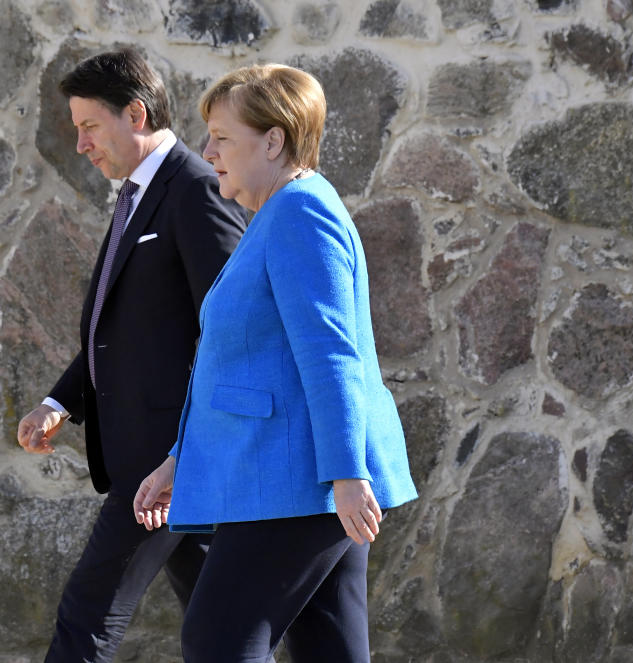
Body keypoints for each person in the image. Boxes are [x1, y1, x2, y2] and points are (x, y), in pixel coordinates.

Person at [132, 63, 418, 662]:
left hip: (296, 482)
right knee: (329, 650)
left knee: (217, 640)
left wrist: (346, 474)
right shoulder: (283, 212)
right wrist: (177, 460)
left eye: (222, 137)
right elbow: (252, 365)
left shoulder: (298, 214)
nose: (207, 150)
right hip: (299, 479)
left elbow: (330, 353)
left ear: (274, 140)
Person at [15, 48, 248, 662]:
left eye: (90, 126)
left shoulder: (195, 188)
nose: (82, 144)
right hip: (157, 462)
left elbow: (230, 330)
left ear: (136, 114)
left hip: (165, 464)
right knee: (220, 629)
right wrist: (58, 400)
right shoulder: (137, 192)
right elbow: (118, 326)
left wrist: (184, 455)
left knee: (87, 614)